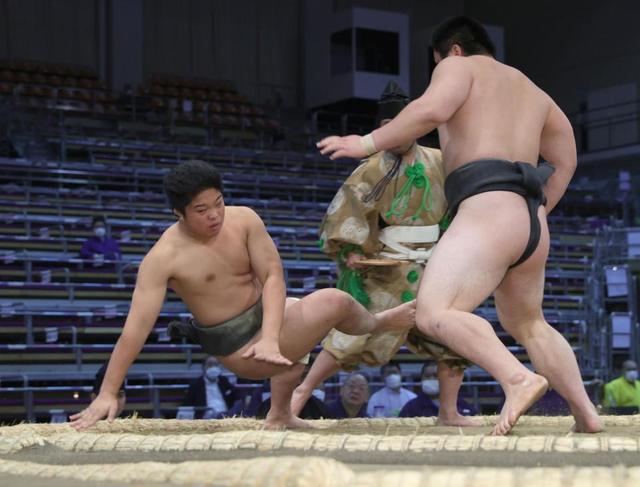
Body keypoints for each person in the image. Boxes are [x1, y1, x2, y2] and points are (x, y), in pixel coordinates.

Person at [317, 16, 602, 435]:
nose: (438, 73)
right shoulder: (533, 90)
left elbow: (431, 110)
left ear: (451, 50)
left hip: (486, 206)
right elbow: (566, 159)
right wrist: (534, 212)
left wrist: (364, 143)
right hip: (528, 215)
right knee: (530, 323)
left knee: (435, 313)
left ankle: (517, 378)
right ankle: (586, 414)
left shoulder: (457, 66)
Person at [70, 160, 415, 431]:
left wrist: (270, 336)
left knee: (300, 308)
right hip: (239, 347)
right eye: (201, 210)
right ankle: (380, 322)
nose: (215, 215)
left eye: (218, 203)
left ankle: (280, 413)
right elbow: (135, 330)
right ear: (178, 213)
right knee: (333, 301)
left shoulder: (244, 219)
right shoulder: (162, 259)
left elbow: (273, 274)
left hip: (269, 321)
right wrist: (107, 391)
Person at [291, 81, 473, 427]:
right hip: (387, 269)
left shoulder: (441, 161)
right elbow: (348, 212)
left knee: (455, 337)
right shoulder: (370, 169)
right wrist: (351, 251)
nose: (396, 133)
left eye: (403, 124)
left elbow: (460, 206)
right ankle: (301, 394)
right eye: (388, 127)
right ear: (379, 130)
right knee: (350, 335)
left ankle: (448, 412)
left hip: (437, 268)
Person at [400, 362, 476, 418]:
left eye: (436, 376)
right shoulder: (411, 407)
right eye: (427, 376)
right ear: (422, 379)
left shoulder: (462, 405)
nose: (431, 379)